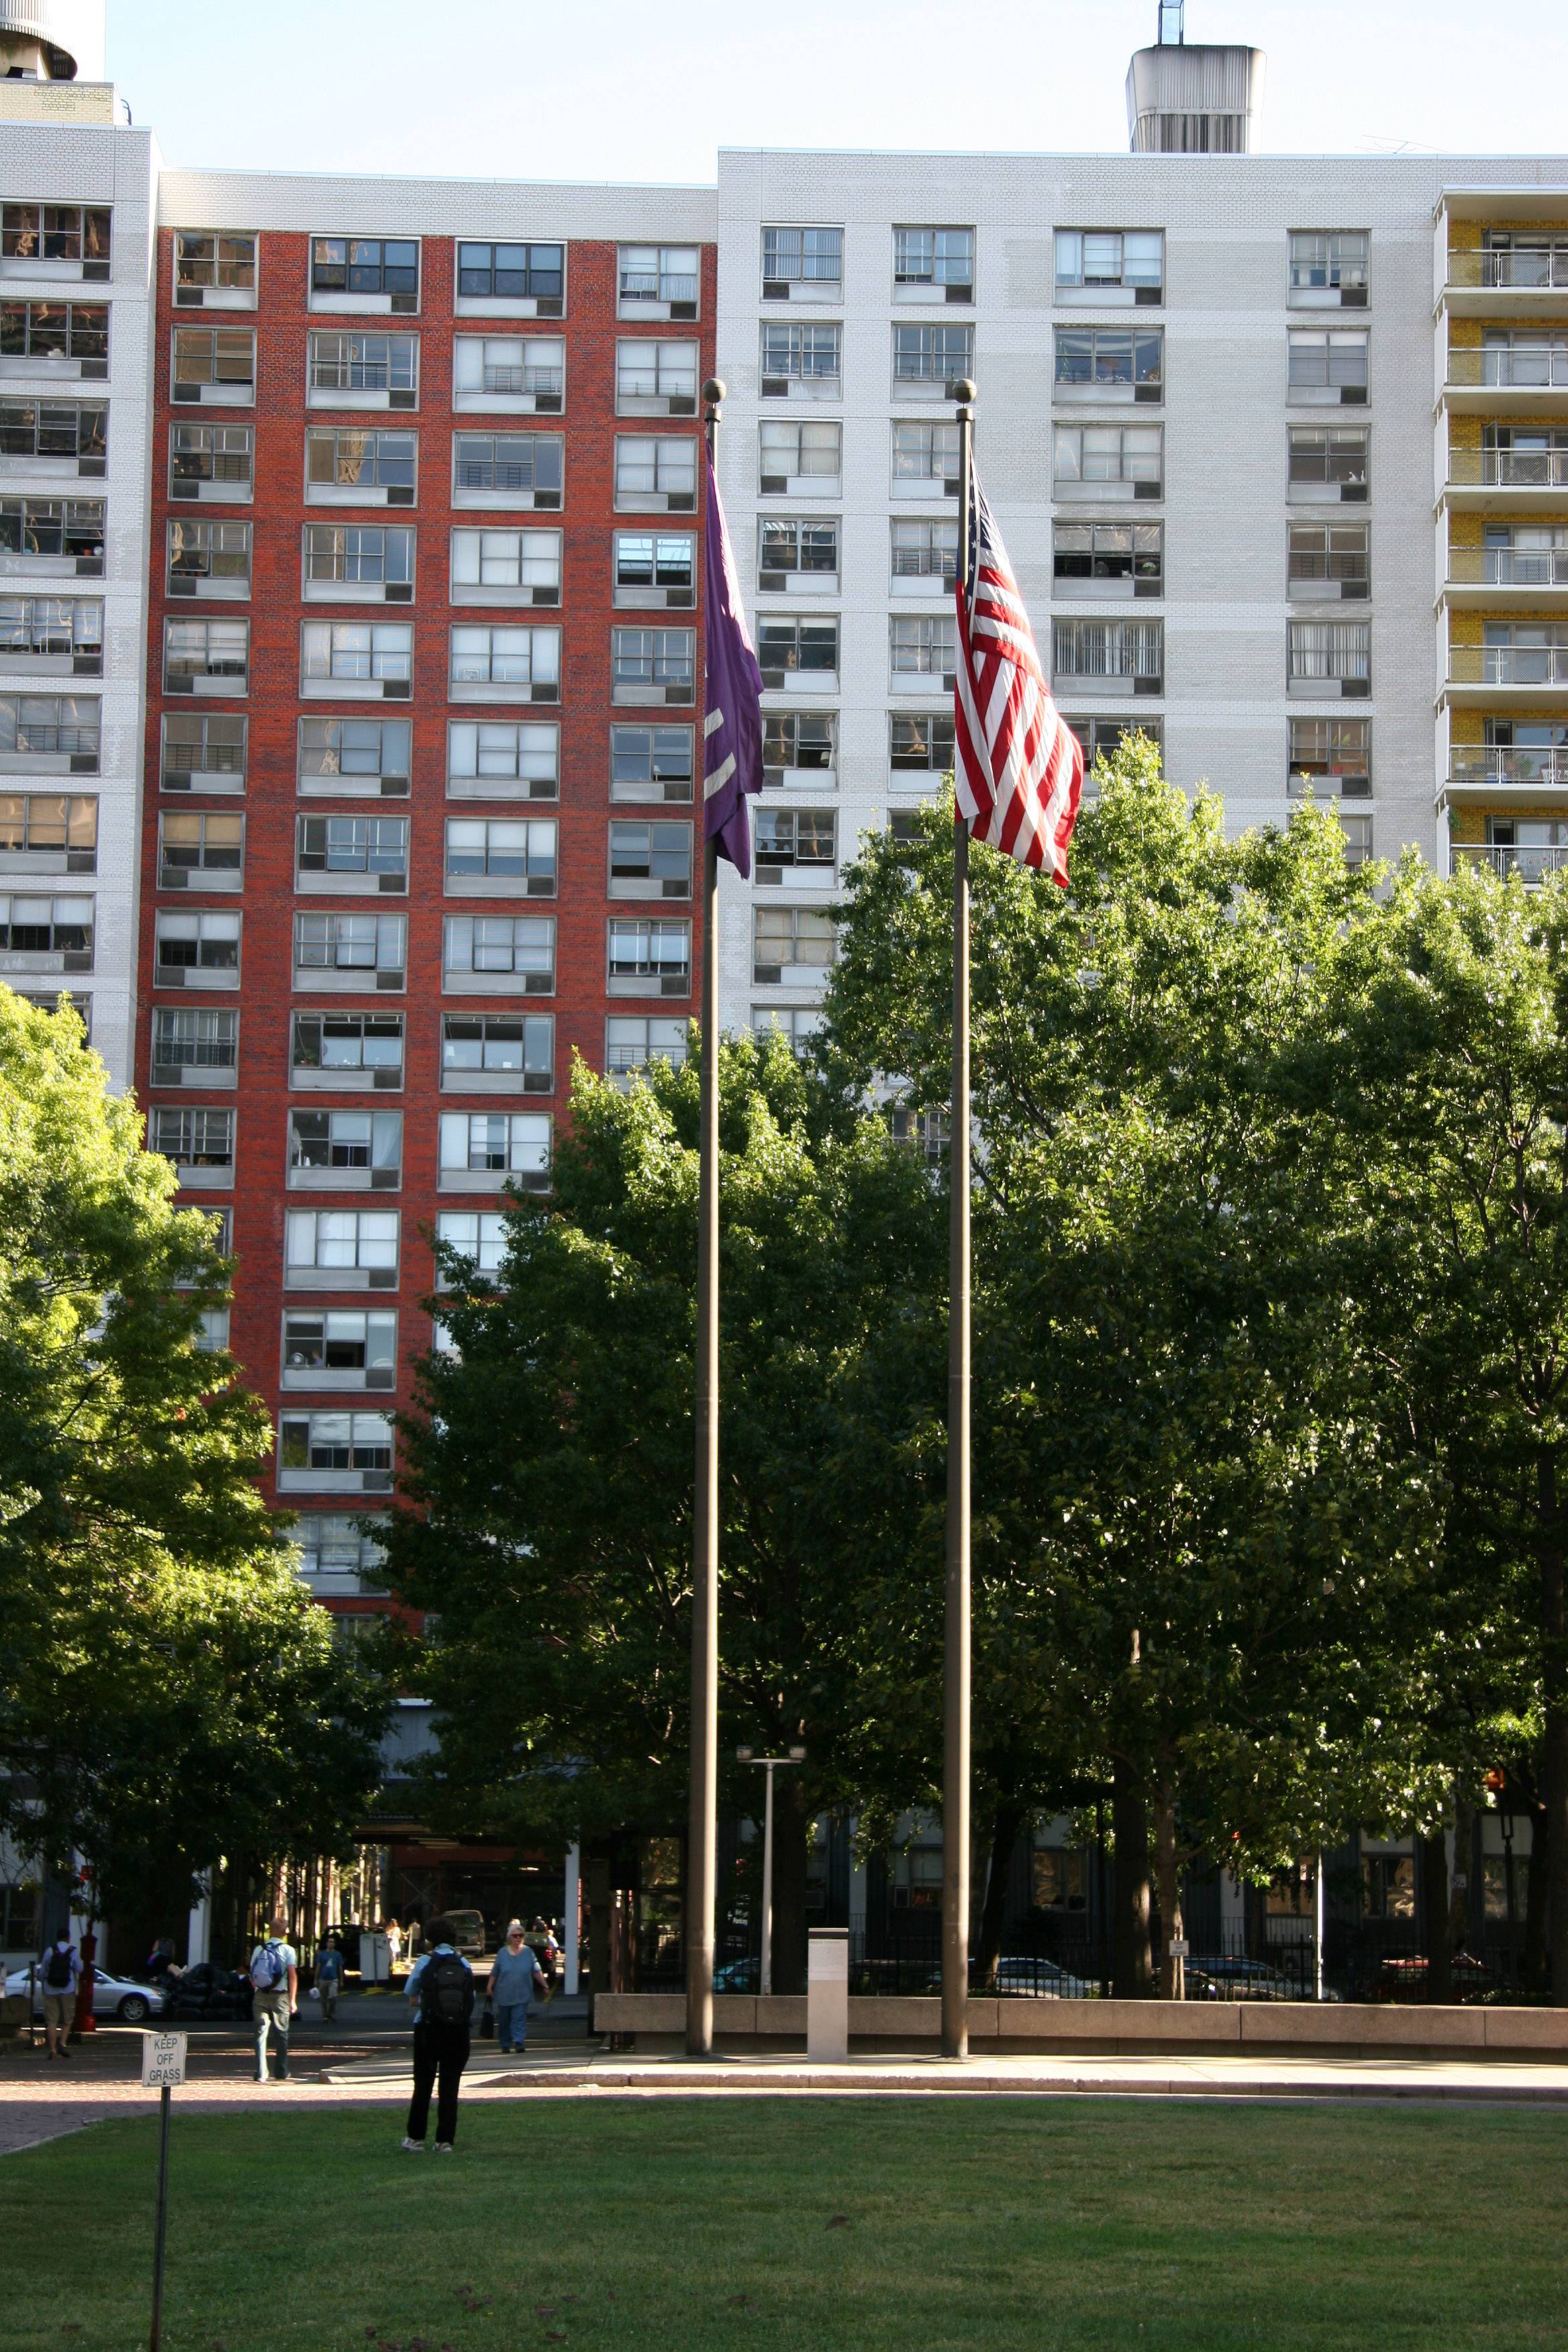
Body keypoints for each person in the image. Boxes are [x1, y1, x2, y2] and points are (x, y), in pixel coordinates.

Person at [400, 1914, 473, 2153]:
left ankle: (416, 2138)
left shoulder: (425, 1962)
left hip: (428, 2028)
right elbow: (470, 1998)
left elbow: (410, 1991)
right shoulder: (463, 1963)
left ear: (431, 1939)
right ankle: (444, 2141)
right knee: (450, 2086)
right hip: (458, 2031)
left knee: (423, 2085)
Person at [487, 1919, 547, 2055]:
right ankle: (505, 2043)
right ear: (510, 1938)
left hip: (522, 1993)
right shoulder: (502, 1953)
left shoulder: (528, 1952)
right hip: (504, 1994)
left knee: (519, 2018)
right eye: (515, 1936)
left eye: (521, 1936)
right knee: (504, 2020)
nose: (518, 1938)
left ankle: (519, 2042)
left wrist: (545, 1986)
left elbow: (536, 1970)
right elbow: (495, 1972)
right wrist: (490, 1986)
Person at [249, 1918, 299, 2082]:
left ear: (270, 1931)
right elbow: (292, 1975)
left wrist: (258, 1989)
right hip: (280, 1996)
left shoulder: (258, 1949)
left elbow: (252, 1975)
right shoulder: (288, 1950)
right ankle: (281, 2071)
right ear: (285, 1933)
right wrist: (292, 2001)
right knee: (281, 2034)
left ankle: (261, 2073)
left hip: (260, 1996)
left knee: (260, 2034)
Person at [38, 1934, 79, 2060]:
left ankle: (53, 2050)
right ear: (68, 1937)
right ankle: (62, 2043)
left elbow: (43, 1971)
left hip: (50, 1989)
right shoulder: (73, 1951)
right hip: (68, 1989)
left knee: (52, 2020)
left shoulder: (50, 1950)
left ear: (57, 1938)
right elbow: (80, 1968)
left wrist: (43, 1982)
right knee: (68, 2018)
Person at [315, 1934, 343, 2024]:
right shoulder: (322, 1954)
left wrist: (341, 1980)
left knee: (333, 1997)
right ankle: (325, 2016)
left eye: (333, 1942)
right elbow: (318, 1967)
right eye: (330, 1942)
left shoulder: (337, 1955)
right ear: (327, 1943)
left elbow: (340, 1968)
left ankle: (331, 2013)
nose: (331, 1944)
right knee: (323, 1999)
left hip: (333, 1979)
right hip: (323, 1979)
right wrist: (316, 1979)